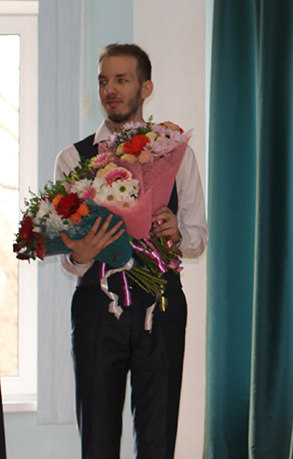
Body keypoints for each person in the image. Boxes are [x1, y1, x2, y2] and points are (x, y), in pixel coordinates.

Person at [55, 43, 208, 459]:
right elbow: (68, 255)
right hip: (96, 307)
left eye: (122, 80)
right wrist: (81, 253)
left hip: (161, 306)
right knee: (97, 439)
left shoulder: (177, 155)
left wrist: (177, 233)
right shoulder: (72, 158)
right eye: (104, 81)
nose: (110, 89)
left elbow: (197, 236)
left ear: (146, 88)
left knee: (159, 438)